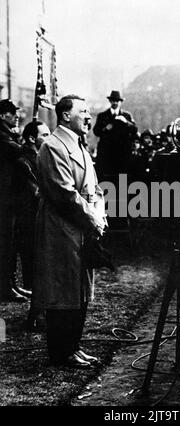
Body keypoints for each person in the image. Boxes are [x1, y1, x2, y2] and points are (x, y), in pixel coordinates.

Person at [34, 95, 107, 367]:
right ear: (65, 115)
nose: (89, 116)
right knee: (62, 290)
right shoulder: (53, 146)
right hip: (61, 229)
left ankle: (74, 347)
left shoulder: (79, 145)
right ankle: (62, 352)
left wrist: (99, 212)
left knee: (80, 290)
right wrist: (93, 218)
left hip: (81, 227)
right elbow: (65, 193)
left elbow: (95, 188)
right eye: (83, 111)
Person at [12, 121, 50, 329]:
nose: (49, 137)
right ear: (31, 138)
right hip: (28, 223)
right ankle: (36, 316)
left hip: (37, 220)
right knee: (36, 269)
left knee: (41, 268)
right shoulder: (23, 161)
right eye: (45, 134)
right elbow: (35, 192)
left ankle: (38, 314)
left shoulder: (40, 158)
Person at [0, 99, 26, 302]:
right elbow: (17, 151)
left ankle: (10, 283)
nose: (16, 115)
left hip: (9, 197)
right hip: (3, 198)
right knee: (5, 243)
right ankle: (5, 287)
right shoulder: (2, 137)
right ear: (2, 116)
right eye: (12, 113)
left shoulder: (8, 135)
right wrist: (25, 140)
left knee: (10, 243)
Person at [93, 90, 137, 180]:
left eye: (117, 101)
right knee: (107, 178)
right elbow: (96, 131)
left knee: (122, 178)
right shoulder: (102, 116)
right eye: (113, 101)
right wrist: (105, 128)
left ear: (120, 102)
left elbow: (135, 130)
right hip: (107, 154)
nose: (115, 103)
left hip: (123, 154)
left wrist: (125, 122)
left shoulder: (127, 116)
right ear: (110, 101)